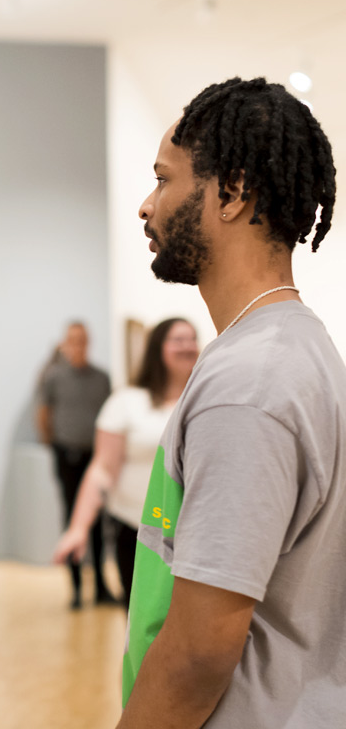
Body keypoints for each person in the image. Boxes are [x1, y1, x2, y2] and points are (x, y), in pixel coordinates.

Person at [120, 77, 345, 728]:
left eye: (164, 180)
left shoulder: (251, 383)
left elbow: (200, 651)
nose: (146, 206)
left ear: (233, 191)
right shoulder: (283, 351)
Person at [51, 318, 198, 606]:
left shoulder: (204, 400)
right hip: (137, 532)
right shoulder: (128, 401)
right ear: (157, 348)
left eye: (192, 339)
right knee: (143, 627)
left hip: (194, 533)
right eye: (177, 340)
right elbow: (102, 470)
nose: (187, 346)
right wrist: (78, 528)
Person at [37, 322, 114, 608]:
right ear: (65, 343)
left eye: (82, 340)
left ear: (88, 342)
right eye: (72, 340)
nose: (78, 345)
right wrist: (53, 443)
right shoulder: (54, 377)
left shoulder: (102, 378)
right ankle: (77, 589)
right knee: (73, 519)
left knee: (97, 521)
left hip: (96, 457)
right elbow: (44, 412)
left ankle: (102, 588)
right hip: (66, 455)